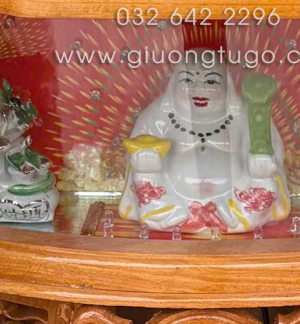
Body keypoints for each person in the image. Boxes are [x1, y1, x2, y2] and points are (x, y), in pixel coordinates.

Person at [118, 49, 290, 233]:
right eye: (188, 81)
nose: (198, 89)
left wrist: (262, 165)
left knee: (264, 181)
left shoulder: (246, 116)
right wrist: (145, 165)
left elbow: (269, 149)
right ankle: (170, 214)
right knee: (144, 178)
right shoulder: (157, 116)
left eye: (211, 81)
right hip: (171, 202)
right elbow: (135, 153)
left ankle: (233, 215)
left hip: (236, 202)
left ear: (228, 86)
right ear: (173, 84)